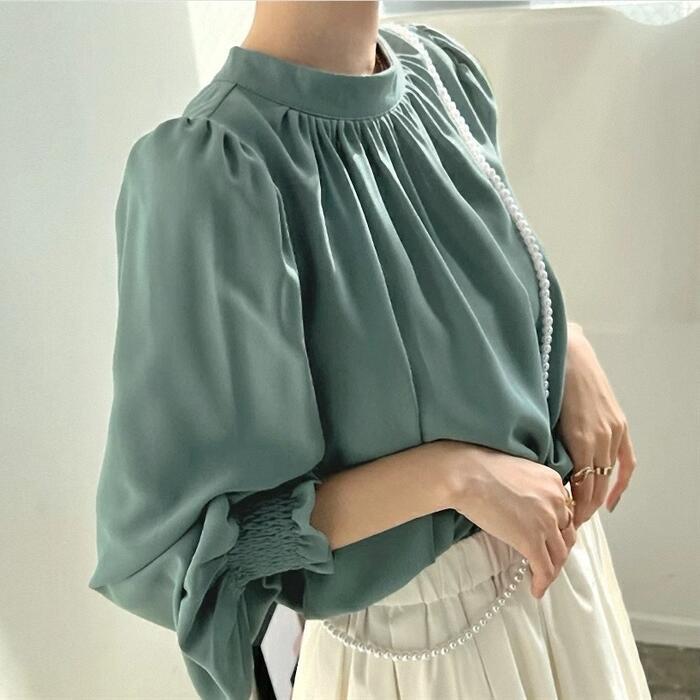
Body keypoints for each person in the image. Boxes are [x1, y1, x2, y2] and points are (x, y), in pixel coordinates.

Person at [87, 3, 651, 699]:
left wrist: (569, 349)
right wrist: (455, 477)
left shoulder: (441, 75)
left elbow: (474, 307)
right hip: (426, 658)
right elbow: (197, 550)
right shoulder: (214, 172)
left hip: (570, 596)